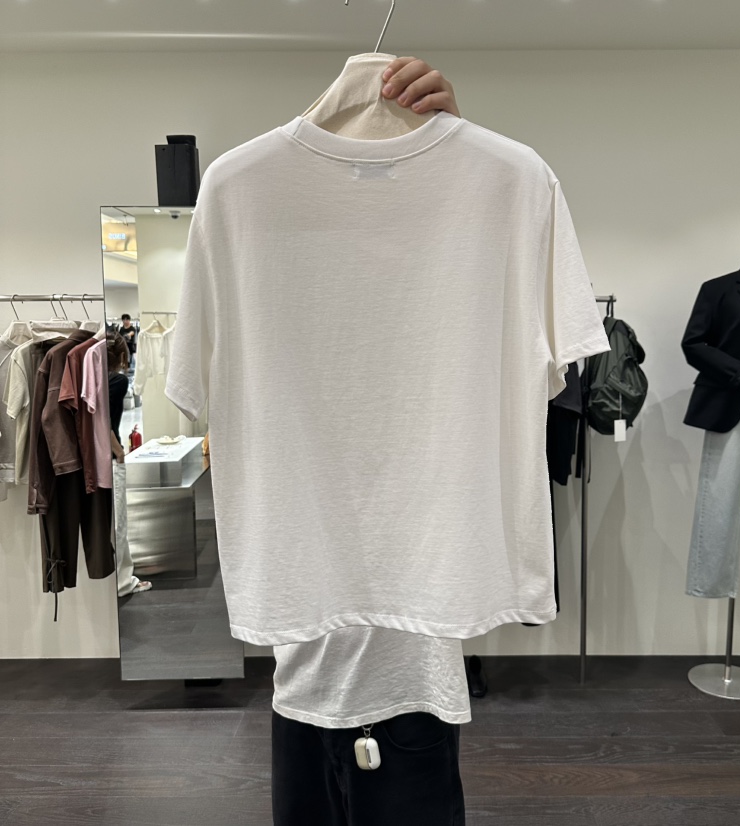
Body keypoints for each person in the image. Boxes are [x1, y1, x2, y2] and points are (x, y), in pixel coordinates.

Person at [269, 58, 468, 826]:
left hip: (413, 660)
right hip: (308, 657)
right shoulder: (254, 205)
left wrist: (449, 156)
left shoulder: (477, 212)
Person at [107, 333, 151, 596]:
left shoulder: (88, 377)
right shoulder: (117, 380)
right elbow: (102, 420)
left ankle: (113, 581)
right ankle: (123, 582)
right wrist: (118, 451)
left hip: (89, 459)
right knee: (118, 521)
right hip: (110, 458)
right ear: (123, 356)